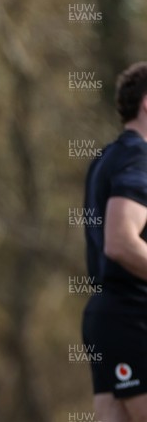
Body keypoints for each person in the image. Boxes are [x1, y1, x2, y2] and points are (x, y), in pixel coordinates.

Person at [83, 62, 147, 422]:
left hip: (108, 317)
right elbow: (121, 241)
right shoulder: (139, 155)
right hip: (132, 317)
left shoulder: (107, 157)